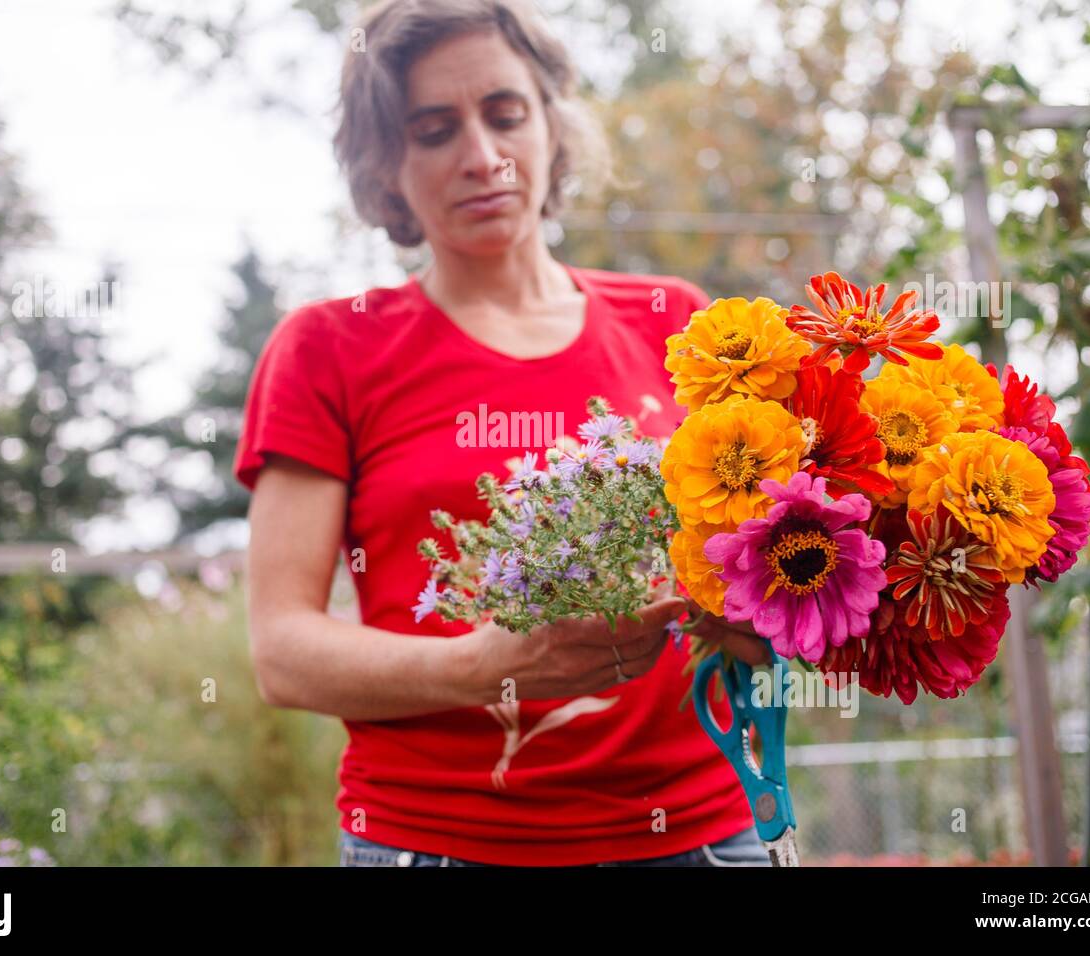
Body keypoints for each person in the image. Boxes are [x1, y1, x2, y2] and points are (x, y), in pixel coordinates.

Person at [234, 0, 772, 868]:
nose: (483, 158)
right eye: (434, 129)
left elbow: (753, 579)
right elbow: (282, 653)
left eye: (505, 114)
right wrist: (484, 667)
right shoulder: (330, 348)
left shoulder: (677, 322)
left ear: (552, 126)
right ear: (385, 165)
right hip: (437, 844)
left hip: (703, 836)